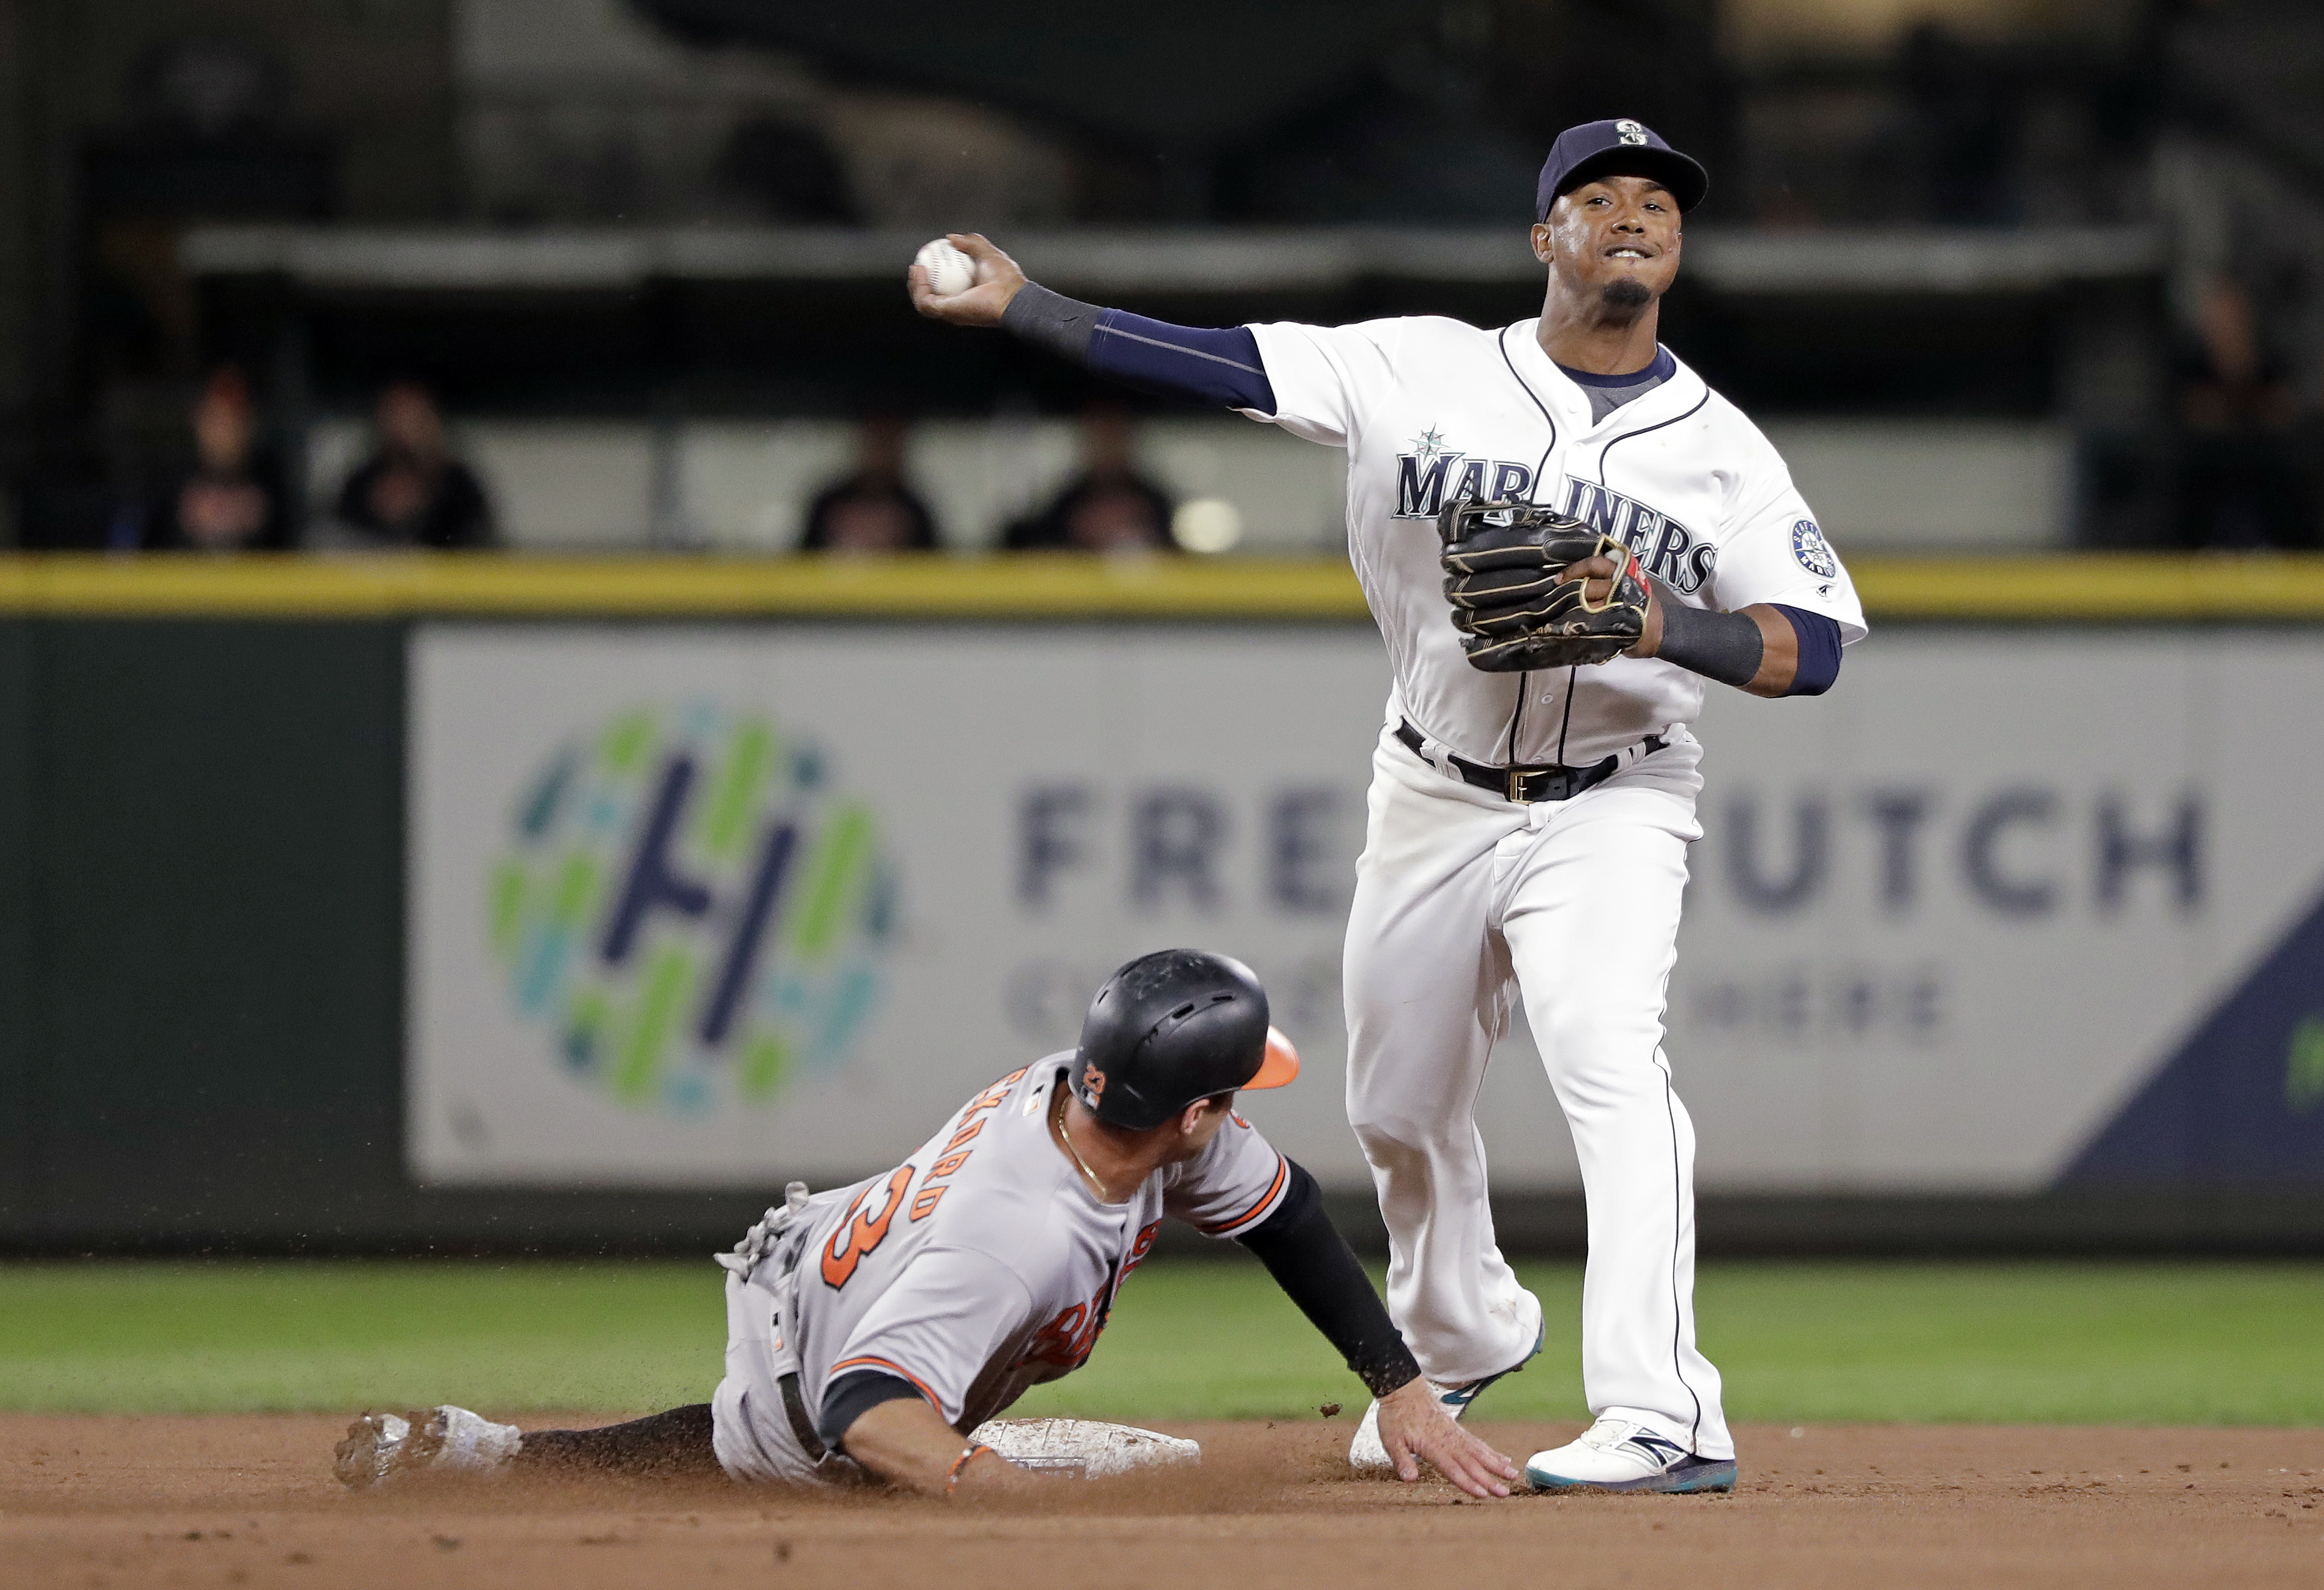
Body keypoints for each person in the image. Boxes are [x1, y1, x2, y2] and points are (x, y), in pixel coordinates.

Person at [911, 118, 1866, 1495]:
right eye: (1595, 197)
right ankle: (1468, 1326)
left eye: (1657, 200)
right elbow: (1215, 361)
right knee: (1398, 1105)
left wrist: (1669, 621)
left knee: (1608, 1057)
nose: (1632, 215)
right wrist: (1028, 304)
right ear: (1543, 236)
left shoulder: (1720, 449)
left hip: (1615, 797)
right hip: (1432, 786)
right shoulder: (1414, 365)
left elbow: (1814, 644)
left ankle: (1667, 1410)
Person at [336, 950, 1519, 1501]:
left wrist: (1396, 1379)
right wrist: (973, 1479)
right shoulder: (1022, 1237)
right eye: (1235, 1091)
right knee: (817, 1445)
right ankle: (506, 1459)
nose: (1241, 1111)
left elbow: (1291, 1215)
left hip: (822, 1262)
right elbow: (863, 1407)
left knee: (758, 1421)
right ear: (1192, 1110)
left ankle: (491, 1451)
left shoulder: (1090, 1090)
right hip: (833, 1392)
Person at [139, 366, 290, 551]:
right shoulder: (170, 485)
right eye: (217, 420)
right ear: (199, 422)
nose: (224, 434)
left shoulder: (273, 487)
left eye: (234, 422)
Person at [334, 381, 495, 548]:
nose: (403, 428)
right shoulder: (361, 485)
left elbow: (477, 545)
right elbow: (338, 540)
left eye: (413, 417)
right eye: (395, 414)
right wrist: (382, 517)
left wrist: (424, 509)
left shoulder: (460, 487)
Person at [1001, 406, 1175, 551]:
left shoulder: (1155, 501)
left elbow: (1174, 550)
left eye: (1114, 435)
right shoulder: (1067, 502)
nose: (1107, 446)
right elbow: (1039, 546)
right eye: (1100, 437)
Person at [799, 415, 941, 552]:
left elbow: (933, 562)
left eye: (888, 443)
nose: (881, 453)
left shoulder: (914, 509)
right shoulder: (828, 503)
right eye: (876, 442)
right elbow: (802, 559)